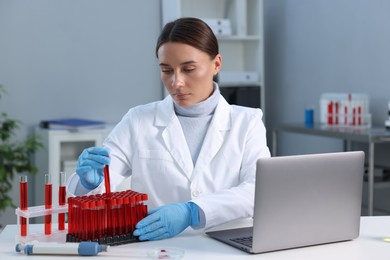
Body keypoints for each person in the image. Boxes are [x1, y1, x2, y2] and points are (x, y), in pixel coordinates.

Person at [67, 17, 270, 241]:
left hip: (229, 246)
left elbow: (257, 191)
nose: (176, 82)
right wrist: (87, 183)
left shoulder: (248, 122)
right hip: (158, 247)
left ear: (217, 64)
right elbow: (99, 192)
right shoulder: (138, 120)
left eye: (189, 69)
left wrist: (192, 211)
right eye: (166, 70)